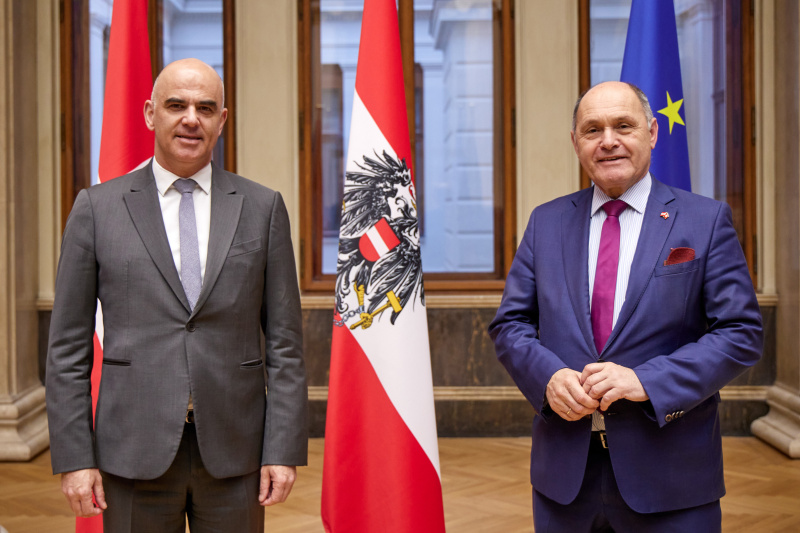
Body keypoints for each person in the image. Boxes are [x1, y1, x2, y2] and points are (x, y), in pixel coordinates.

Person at [46, 58, 307, 532]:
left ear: (221, 120)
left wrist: (283, 449)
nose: (191, 118)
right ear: (150, 114)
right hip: (131, 451)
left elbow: (286, 345)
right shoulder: (97, 209)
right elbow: (66, 349)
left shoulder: (263, 208)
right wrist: (75, 458)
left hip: (235, 453)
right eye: (176, 105)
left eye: (206, 108)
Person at [489, 81, 762, 531]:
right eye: (592, 129)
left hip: (672, 480)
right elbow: (511, 324)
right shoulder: (545, 222)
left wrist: (645, 380)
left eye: (623, 126)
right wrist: (548, 378)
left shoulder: (705, 220)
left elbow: (741, 333)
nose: (608, 140)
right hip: (564, 483)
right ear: (576, 142)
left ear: (652, 133)